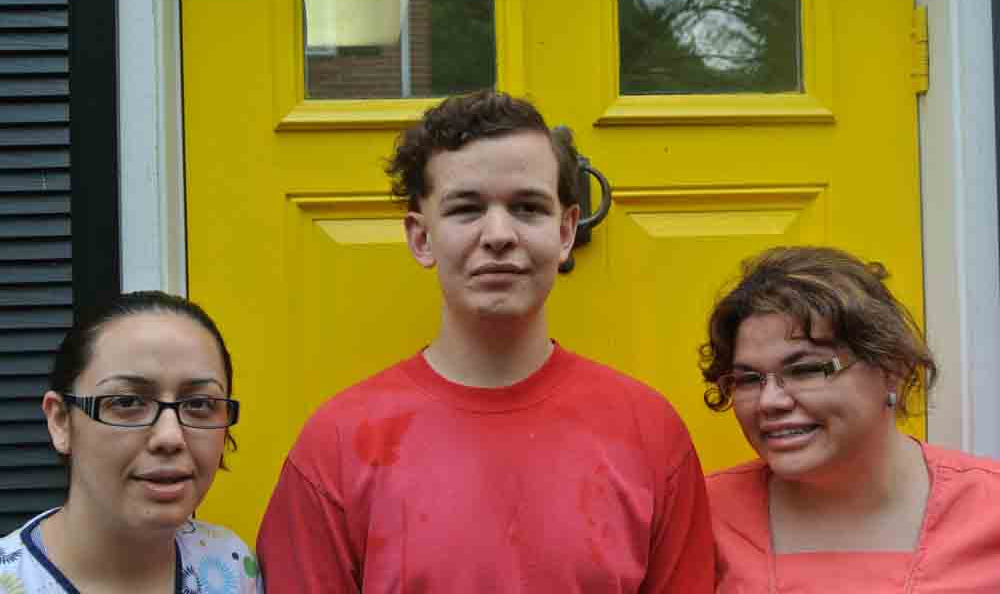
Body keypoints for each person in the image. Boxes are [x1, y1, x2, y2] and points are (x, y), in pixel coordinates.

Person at [256, 90, 715, 592]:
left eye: (527, 207)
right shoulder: (337, 445)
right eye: (466, 209)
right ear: (421, 238)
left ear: (565, 231)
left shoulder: (650, 433)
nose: (499, 234)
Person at [700, 246, 1000, 592]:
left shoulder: (990, 509)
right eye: (749, 379)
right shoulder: (703, 515)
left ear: (891, 370)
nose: (769, 401)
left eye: (806, 370)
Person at [0, 291, 262, 593]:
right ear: (60, 420)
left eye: (199, 404)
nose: (170, 437)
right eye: (127, 402)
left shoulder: (232, 567)